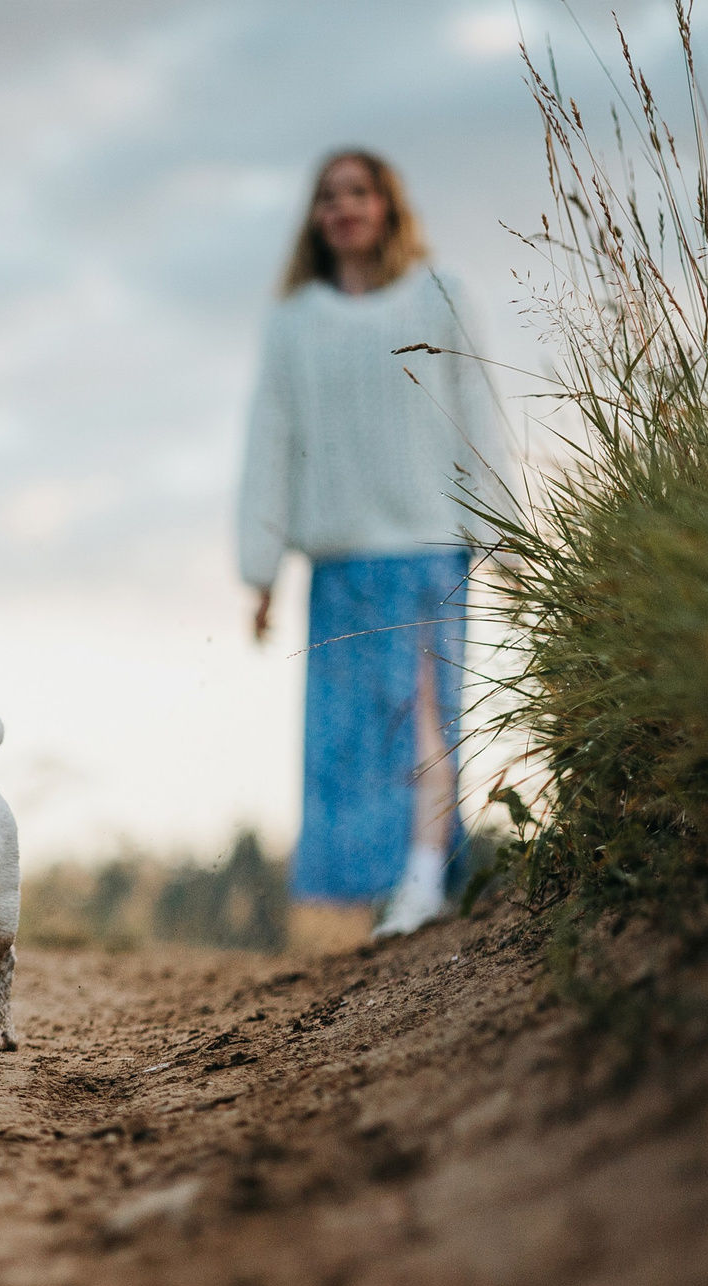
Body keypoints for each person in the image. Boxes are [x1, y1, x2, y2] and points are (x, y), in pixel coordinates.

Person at [238, 149, 509, 938]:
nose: (343, 207)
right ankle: (385, 894)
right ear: (316, 219)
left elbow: (481, 417)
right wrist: (260, 572)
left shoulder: (443, 296)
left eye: (358, 192)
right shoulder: (293, 324)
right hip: (338, 561)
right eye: (328, 197)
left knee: (422, 716)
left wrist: (503, 537)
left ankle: (424, 879)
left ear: (388, 204)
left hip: (428, 546)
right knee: (351, 740)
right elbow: (270, 441)